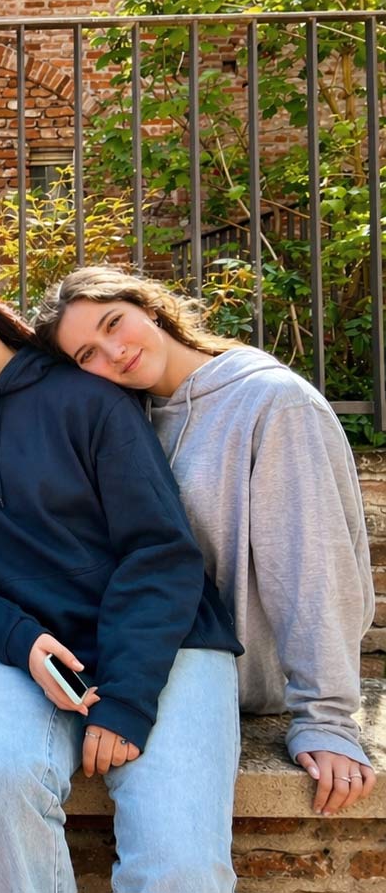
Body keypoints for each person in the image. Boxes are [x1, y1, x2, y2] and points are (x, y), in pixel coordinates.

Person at [0, 250, 242, 893]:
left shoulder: (88, 396)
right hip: (21, 648)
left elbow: (160, 551)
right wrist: (20, 641)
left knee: (181, 868)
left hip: (165, 641)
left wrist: (127, 696)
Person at [35, 266, 376, 817]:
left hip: (236, 675)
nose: (114, 352)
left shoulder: (272, 401)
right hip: (155, 664)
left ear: (151, 308)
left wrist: (327, 718)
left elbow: (313, 567)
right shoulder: (129, 417)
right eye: (87, 354)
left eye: (114, 323)